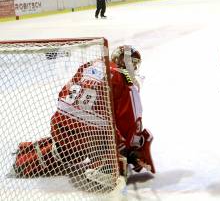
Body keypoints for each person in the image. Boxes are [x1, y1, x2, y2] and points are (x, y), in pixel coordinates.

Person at [12, 45, 154, 192]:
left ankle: (25, 158)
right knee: (119, 150)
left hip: (60, 123)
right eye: (133, 63)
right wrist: (130, 148)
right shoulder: (125, 79)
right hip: (91, 135)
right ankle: (104, 168)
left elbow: (63, 93)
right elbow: (127, 122)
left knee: (65, 149)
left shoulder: (90, 64)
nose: (134, 68)